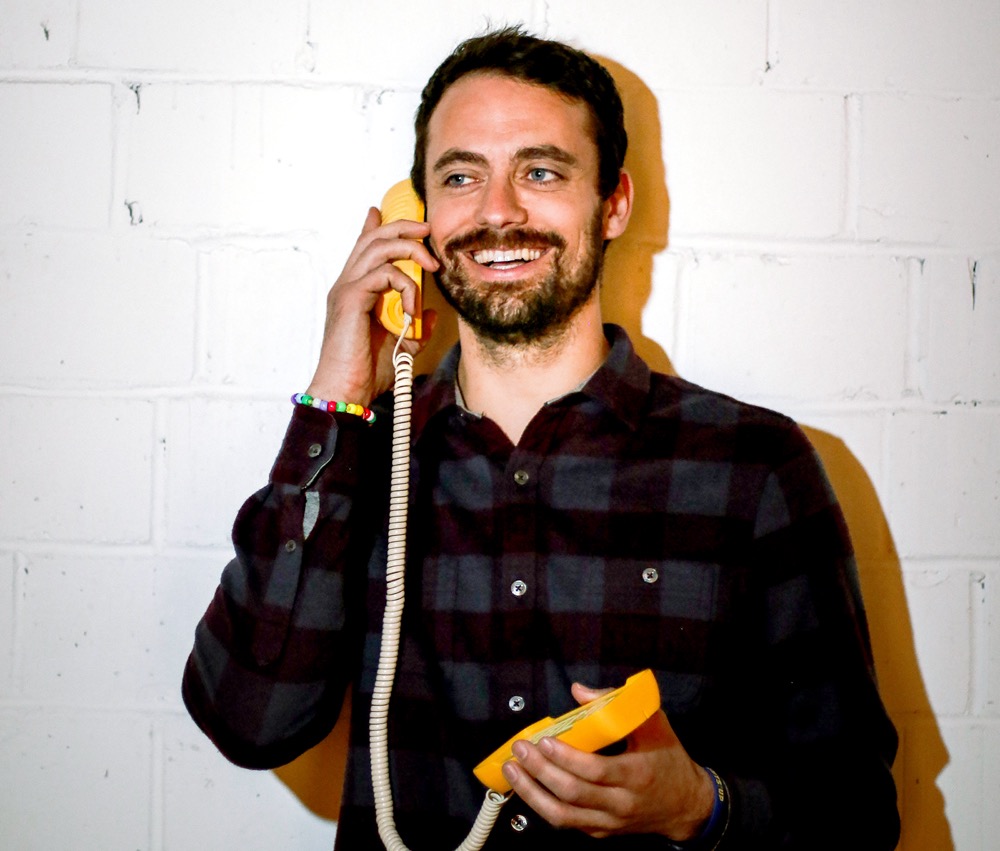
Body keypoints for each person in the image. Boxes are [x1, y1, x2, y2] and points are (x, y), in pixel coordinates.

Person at [183, 26, 900, 850]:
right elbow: (253, 722)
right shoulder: (360, 461)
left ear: (614, 203)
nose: (497, 211)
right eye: (461, 177)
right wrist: (338, 394)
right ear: (419, 216)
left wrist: (697, 806)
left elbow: (858, 814)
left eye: (541, 172)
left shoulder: (754, 467)